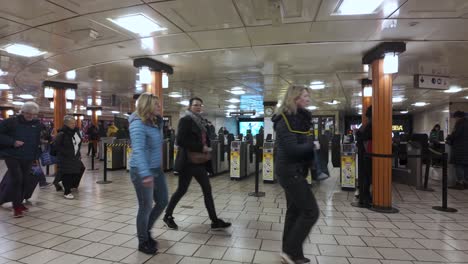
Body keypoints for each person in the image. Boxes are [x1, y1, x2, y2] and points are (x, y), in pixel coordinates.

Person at [164, 97, 231, 230]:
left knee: (207, 190)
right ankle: (167, 216)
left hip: (199, 162)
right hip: (188, 162)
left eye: (200, 105)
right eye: (195, 105)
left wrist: (206, 148)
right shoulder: (185, 120)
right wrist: (201, 148)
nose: (198, 107)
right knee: (181, 190)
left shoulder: (201, 122)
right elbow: (180, 141)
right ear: (189, 107)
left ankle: (214, 221)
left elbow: (204, 138)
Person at [272, 86, 319, 264]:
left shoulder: (299, 119)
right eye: (305, 96)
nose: (308, 98)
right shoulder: (285, 120)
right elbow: (292, 149)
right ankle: (290, 251)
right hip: (289, 171)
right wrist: (312, 145)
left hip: (296, 170)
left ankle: (293, 253)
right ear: (295, 98)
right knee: (311, 212)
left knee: (295, 211)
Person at [129, 93, 168, 255]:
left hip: (156, 169)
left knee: (162, 201)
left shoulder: (154, 122)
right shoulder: (138, 124)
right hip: (141, 170)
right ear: (148, 106)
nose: (160, 107)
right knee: (145, 207)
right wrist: (145, 174)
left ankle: (147, 230)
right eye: (157, 105)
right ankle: (143, 241)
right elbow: (138, 150)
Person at [0, 102, 42, 218]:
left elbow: (36, 141)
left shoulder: (36, 125)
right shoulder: (10, 122)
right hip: (12, 155)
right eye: (28, 114)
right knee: (17, 179)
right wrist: (13, 142)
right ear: (22, 112)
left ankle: (20, 202)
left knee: (25, 179)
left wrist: (36, 156)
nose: (31, 117)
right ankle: (16, 207)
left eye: (33, 114)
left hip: (28, 156)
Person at [55, 116, 85, 199]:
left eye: (74, 123)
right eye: (72, 123)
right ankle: (67, 192)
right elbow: (56, 146)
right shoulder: (62, 134)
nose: (74, 124)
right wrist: (65, 153)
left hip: (75, 156)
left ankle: (65, 184)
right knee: (68, 173)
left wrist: (78, 153)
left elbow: (78, 143)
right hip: (65, 157)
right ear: (66, 124)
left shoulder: (77, 132)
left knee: (79, 169)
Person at [446, 111, 468, 190]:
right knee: (466, 166)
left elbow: (456, 134)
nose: (455, 119)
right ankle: (466, 183)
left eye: (455, 118)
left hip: (459, 148)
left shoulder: (460, 123)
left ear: (458, 117)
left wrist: (449, 138)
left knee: (459, 165)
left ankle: (460, 183)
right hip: (466, 149)